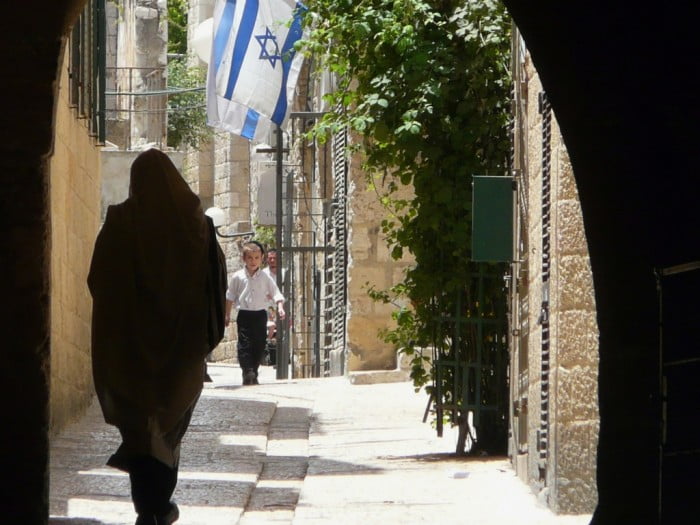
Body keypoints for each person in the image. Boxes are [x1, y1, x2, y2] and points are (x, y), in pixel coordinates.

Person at [88, 149, 225, 525]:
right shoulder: (196, 224)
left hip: (130, 348)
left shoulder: (121, 222)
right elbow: (215, 283)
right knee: (167, 426)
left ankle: (149, 506)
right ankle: (158, 503)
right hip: (183, 349)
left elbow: (99, 279)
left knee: (140, 424)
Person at [225, 241, 285, 385]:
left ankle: (254, 371)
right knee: (244, 343)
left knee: (259, 343)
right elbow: (230, 296)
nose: (253, 261)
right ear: (244, 259)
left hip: (260, 315)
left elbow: (276, 292)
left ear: (262, 258)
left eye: (256, 258)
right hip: (244, 315)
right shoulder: (238, 277)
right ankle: (247, 370)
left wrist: (280, 307)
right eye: (250, 258)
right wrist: (226, 315)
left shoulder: (265, 277)